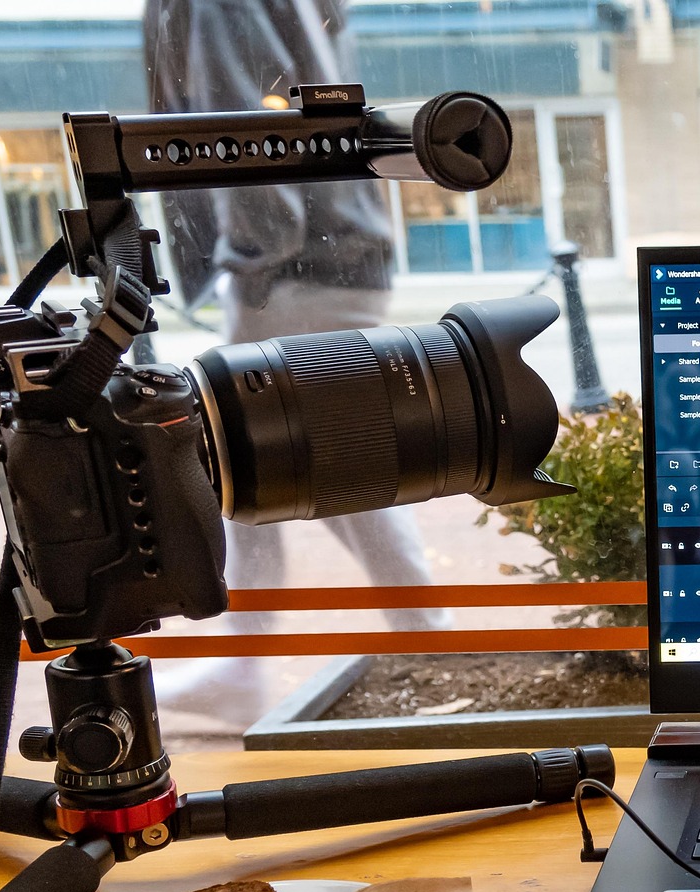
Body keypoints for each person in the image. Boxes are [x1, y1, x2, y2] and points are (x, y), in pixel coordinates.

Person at [144, 0, 449, 726]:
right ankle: (259, 663)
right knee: (302, 463)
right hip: (329, 250)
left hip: (297, 263)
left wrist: (259, 253)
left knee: (285, 462)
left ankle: (425, 640)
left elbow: (235, 121)